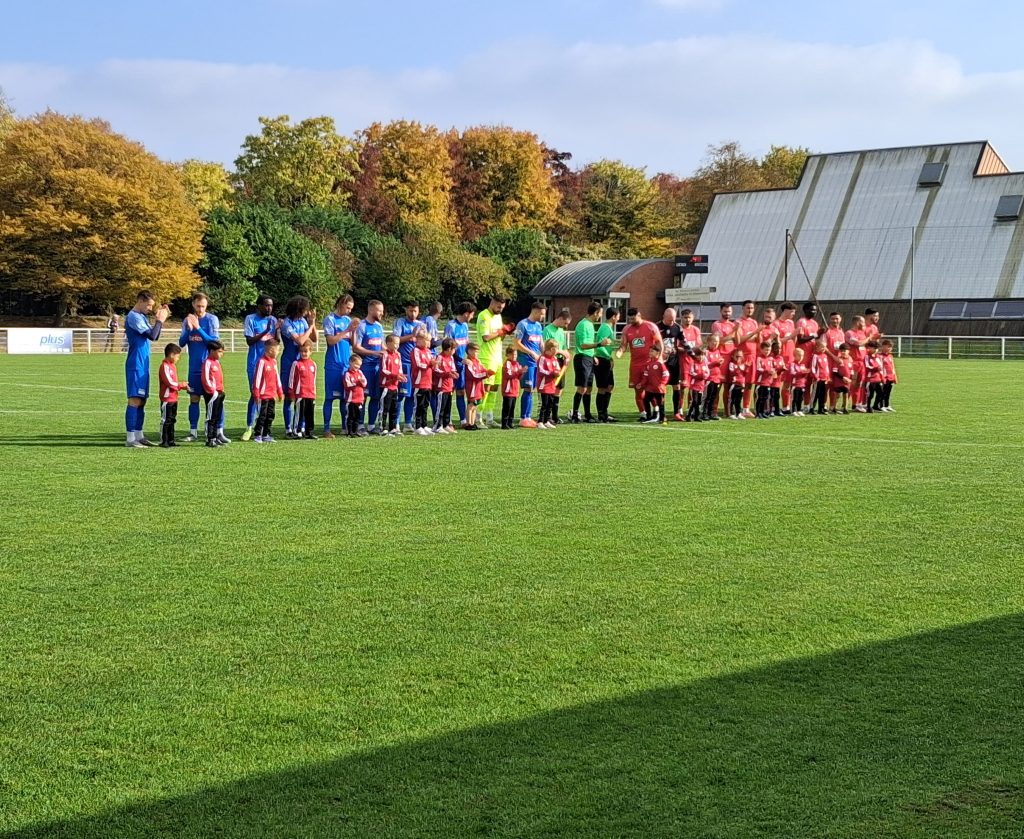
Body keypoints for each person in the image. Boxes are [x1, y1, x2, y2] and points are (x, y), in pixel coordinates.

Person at [123, 291, 170, 447]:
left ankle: (139, 435)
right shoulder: (134, 317)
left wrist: (159, 320)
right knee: (135, 400)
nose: (150, 308)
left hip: (143, 364)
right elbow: (153, 335)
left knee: (142, 400)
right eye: (149, 304)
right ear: (140, 301)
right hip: (136, 363)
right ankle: (130, 439)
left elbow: (154, 335)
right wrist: (160, 320)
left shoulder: (141, 317)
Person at [179, 292, 227, 443]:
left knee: (216, 399)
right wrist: (188, 328)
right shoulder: (188, 320)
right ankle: (193, 432)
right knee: (194, 399)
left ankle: (219, 431)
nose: (200, 309)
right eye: (198, 306)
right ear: (193, 304)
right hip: (194, 368)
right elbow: (181, 343)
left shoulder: (211, 319)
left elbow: (214, 343)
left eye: (203, 306)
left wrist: (198, 328)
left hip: (210, 368)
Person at [241, 295, 279, 441]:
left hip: (269, 365)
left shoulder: (273, 320)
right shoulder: (250, 319)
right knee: (255, 394)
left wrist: (277, 330)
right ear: (259, 306)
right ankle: (250, 427)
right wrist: (266, 331)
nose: (269, 308)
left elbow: (276, 342)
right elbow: (249, 341)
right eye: (266, 305)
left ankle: (263, 430)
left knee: (268, 396)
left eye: (271, 305)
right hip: (255, 364)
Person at [321, 294, 358, 439]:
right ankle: (326, 428)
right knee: (330, 398)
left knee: (345, 398)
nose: (349, 311)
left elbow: (353, 344)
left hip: (345, 364)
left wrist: (354, 331)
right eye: (348, 307)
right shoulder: (330, 319)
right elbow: (331, 341)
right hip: (333, 364)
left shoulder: (348, 320)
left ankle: (344, 426)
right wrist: (347, 330)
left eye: (351, 309)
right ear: (341, 304)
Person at [280, 296, 317, 436]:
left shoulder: (303, 321)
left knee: (304, 395)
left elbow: (314, 338)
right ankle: (288, 428)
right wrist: (310, 326)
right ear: (299, 309)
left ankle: (300, 427)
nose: (306, 312)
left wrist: (312, 324)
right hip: (290, 362)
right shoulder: (287, 324)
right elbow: (301, 340)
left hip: (303, 363)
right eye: (305, 309)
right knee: (290, 396)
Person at [616, 307, 662, 421]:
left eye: (633, 318)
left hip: (649, 364)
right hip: (635, 365)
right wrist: (620, 351)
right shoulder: (627, 329)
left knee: (651, 390)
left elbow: (659, 342)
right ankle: (643, 413)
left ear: (639, 315)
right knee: (638, 389)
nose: (631, 321)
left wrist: (659, 358)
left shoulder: (650, 327)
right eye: (629, 319)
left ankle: (656, 412)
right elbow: (623, 344)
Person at [570, 302, 607, 423]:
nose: (600, 316)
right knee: (582, 387)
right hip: (582, 358)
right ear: (596, 312)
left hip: (589, 358)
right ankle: (574, 414)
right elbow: (583, 345)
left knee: (589, 388)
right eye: (600, 313)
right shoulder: (583, 325)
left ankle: (587, 414)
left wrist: (593, 356)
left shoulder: (590, 325)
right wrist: (600, 344)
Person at [475, 295, 507, 427]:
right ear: (492, 303)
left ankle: (490, 416)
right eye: (499, 306)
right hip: (486, 357)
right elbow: (486, 337)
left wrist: (505, 333)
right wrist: (501, 332)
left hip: (498, 357)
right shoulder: (483, 316)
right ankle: (478, 416)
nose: (500, 309)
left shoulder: (498, 317)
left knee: (495, 388)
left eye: (502, 308)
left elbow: (500, 338)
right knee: (485, 388)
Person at [353, 299, 385, 432]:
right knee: (363, 396)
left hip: (378, 366)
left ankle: (371, 425)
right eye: (379, 310)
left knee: (376, 396)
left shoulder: (379, 326)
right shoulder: (362, 326)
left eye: (382, 311)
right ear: (371, 310)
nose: (381, 313)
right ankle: (360, 424)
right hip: (366, 366)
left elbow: (381, 345)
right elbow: (356, 347)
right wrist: (373, 352)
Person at [392, 301, 424, 431]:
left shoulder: (421, 325)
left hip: (417, 366)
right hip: (404, 364)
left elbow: (425, 341)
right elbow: (396, 340)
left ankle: (408, 423)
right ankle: (396, 422)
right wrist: (412, 335)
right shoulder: (400, 322)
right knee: (401, 394)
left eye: (415, 311)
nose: (413, 313)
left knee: (412, 395)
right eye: (411, 311)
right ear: (406, 310)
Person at [513, 301, 546, 427]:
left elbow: (541, 343)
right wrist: (531, 352)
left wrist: (545, 356)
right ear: (536, 311)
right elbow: (516, 343)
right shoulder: (522, 324)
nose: (543, 317)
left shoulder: (538, 326)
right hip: (526, 361)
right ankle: (523, 418)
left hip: (537, 362)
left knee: (532, 389)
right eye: (542, 314)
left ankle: (528, 416)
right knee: (528, 388)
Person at [445, 301, 476, 428]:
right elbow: (447, 347)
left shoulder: (465, 326)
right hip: (452, 364)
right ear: (466, 314)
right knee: (449, 392)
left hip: (462, 364)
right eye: (472, 314)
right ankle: (448, 420)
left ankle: (463, 420)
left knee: (461, 391)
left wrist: (471, 356)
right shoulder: (451, 326)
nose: (472, 317)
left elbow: (466, 343)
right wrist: (460, 359)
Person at [542, 308, 572, 425]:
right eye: (565, 323)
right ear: (560, 319)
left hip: (561, 362)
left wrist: (567, 356)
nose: (565, 326)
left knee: (560, 388)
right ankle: (547, 415)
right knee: (551, 388)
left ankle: (555, 415)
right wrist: (560, 352)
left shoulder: (560, 331)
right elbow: (547, 347)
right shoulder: (547, 330)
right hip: (551, 362)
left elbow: (563, 347)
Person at [251, 339, 284, 442]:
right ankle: (257, 434)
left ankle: (266, 434)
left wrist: (280, 391)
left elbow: (277, 377)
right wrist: (256, 394)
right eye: (277, 350)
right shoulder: (262, 362)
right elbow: (257, 379)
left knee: (270, 415)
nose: (278, 352)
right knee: (262, 415)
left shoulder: (274, 362)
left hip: (272, 394)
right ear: (271, 350)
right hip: (263, 395)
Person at [157, 343, 189, 447]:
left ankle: (171, 440)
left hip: (174, 397)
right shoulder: (164, 366)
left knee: (172, 419)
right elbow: (169, 382)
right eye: (178, 356)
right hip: (167, 398)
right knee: (166, 419)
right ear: (171, 355)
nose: (178, 358)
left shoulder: (172, 366)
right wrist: (181, 385)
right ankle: (164, 440)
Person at [711, 303, 739, 418]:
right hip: (721, 358)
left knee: (729, 386)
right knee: (718, 385)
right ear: (721, 311)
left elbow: (737, 342)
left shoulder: (733, 325)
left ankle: (728, 412)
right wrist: (733, 332)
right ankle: (714, 410)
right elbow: (721, 341)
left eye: (729, 311)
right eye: (725, 311)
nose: (727, 313)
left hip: (731, 358)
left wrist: (736, 331)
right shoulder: (717, 325)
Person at [734, 300, 760, 417]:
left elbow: (758, 340)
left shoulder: (754, 322)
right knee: (740, 383)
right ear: (743, 308)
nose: (750, 310)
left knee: (750, 383)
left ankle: (746, 408)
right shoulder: (738, 322)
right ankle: (736, 408)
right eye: (748, 308)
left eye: (752, 308)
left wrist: (756, 334)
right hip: (743, 356)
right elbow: (739, 340)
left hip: (753, 356)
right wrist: (754, 333)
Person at [288, 342, 318, 439]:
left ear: (310, 352)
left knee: (310, 414)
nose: (304, 353)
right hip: (300, 393)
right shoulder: (296, 364)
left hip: (310, 394)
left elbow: (314, 380)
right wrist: (291, 392)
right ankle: (296, 431)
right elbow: (291, 379)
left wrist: (314, 392)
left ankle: (309, 431)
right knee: (299, 414)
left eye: (306, 351)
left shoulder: (313, 364)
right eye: (301, 351)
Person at [594, 307, 619, 423]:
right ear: (614, 316)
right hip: (602, 360)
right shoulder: (604, 328)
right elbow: (600, 344)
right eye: (618, 316)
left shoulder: (608, 327)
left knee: (610, 386)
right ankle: (601, 414)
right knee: (602, 387)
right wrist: (608, 357)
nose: (619, 318)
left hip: (606, 359)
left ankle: (605, 412)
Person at [656, 308, 682, 419]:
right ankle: (661, 414)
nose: (672, 322)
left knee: (676, 386)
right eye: (670, 320)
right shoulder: (657, 327)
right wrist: (660, 352)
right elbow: (651, 343)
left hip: (674, 361)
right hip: (661, 362)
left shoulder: (677, 327)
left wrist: (692, 353)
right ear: (664, 316)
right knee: (661, 387)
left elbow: (683, 341)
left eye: (673, 320)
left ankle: (676, 412)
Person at [677, 308, 702, 421]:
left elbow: (699, 344)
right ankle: (679, 409)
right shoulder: (679, 330)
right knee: (683, 388)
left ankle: (690, 409)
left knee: (694, 388)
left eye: (689, 318)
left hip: (694, 363)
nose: (687, 320)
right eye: (685, 318)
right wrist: (688, 350)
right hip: (683, 363)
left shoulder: (696, 330)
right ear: (681, 318)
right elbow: (676, 347)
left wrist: (697, 351)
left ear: (693, 318)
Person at [201, 340, 226, 448]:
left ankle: (215, 437)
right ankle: (210, 438)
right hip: (212, 394)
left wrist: (221, 390)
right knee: (211, 416)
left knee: (217, 416)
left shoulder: (217, 362)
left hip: (219, 393)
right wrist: (213, 391)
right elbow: (205, 379)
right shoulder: (207, 363)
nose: (221, 354)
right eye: (219, 351)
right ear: (212, 351)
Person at [380, 334, 406, 436]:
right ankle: (383, 428)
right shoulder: (385, 354)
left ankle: (393, 427)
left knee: (394, 407)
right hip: (386, 385)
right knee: (384, 408)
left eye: (398, 344)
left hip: (395, 386)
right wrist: (395, 376)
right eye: (395, 343)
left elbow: (399, 368)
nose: (397, 346)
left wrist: (401, 376)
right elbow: (383, 370)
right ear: (388, 344)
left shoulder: (398, 355)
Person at [463, 343, 494, 431]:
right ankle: (469, 423)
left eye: (477, 351)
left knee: (475, 405)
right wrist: (486, 374)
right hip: (472, 386)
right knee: (471, 405)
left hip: (478, 386)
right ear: (469, 351)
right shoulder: (469, 362)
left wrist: (488, 371)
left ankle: (473, 423)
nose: (477, 353)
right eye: (475, 351)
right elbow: (473, 375)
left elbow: (482, 369)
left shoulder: (477, 361)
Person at [432, 337, 458, 434]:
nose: (455, 351)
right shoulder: (439, 357)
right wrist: (447, 374)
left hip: (449, 386)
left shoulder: (451, 358)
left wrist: (455, 373)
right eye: (454, 349)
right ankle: (438, 426)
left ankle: (446, 424)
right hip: (441, 387)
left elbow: (453, 369)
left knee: (448, 407)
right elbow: (436, 370)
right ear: (449, 349)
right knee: (441, 408)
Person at [844, 314, 869, 412]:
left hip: (862, 362)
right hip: (854, 362)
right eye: (863, 322)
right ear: (858, 322)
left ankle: (856, 404)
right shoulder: (849, 333)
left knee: (859, 384)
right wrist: (868, 338)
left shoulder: (862, 333)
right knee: (852, 384)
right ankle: (845, 405)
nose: (864, 324)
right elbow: (858, 343)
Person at [536, 339, 562, 429]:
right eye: (556, 349)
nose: (557, 351)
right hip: (544, 384)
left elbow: (558, 368)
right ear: (551, 349)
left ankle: (546, 420)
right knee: (544, 403)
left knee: (550, 403)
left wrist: (557, 372)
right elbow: (541, 370)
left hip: (552, 384)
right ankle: (540, 421)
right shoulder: (542, 358)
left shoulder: (554, 358)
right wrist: (552, 373)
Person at [776, 302, 797, 411]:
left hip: (790, 356)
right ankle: (774, 406)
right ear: (786, 311)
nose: (793, 314)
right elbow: (778, 342)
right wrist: (792, 336)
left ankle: (786, 406)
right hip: (781, 357)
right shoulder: (776, 324)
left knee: (788, 383)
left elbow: (793, 339)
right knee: (777, 383)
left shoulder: (791, 323)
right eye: (792, 312)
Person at [641, 345, 670, 425]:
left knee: (661, 403)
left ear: (658, 353)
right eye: (650, 351)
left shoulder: (660, 363)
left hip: (659, 388)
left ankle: (662, 418)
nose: (650, 353)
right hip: (650, 388)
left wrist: (662, 384)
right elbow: (645, 376)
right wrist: (642, 383)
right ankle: (649, 416)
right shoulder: (648, 364)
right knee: (645, 400)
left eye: (652, 351)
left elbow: (666, 375)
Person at [344, 356, 368, 438]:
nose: (357, 367)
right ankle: (349, 432)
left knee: (357, 416)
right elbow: (347, 385)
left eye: (359, 365)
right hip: (351, 400)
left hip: (359, 399)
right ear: (351, 362)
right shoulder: (347, 374)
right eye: (356, 364)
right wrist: (357, 382)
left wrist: (362, 382)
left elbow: (365, 383)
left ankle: (355, 431)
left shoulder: (360, 373)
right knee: (351, 416)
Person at [500, 346, 523, 430]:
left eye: (515, 354)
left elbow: (518, 377)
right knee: (507, 407)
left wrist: (522, 372)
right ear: (507, 355)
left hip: (515, 389)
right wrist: (519, 372)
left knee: (512, 407)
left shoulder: (517, 364)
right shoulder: (507, 363)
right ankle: (504, 423)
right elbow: (508, 375)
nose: (514, 356)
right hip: (508, 389)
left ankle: (510, 422)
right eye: (512, 354)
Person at [703, 334, 724, 421]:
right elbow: (705, 364)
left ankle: (711, 413)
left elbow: (717, 364)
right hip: (709, 378)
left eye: (717, 341)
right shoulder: (706, 352)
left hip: (716, 378)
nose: (715, 343)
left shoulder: (717, 352)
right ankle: (703, 413)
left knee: (714, 396)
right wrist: (715, 363)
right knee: (707, 396)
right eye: (714, 341)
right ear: (708, 342)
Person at [685, 348, 709, 422]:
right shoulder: (693, 363)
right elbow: (692, 373)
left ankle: (696, 416)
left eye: (701, 355)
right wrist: (700, 375)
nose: (700, 357)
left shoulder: (704, 364)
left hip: (701, 386)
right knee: (694, 401)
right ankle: (688, 415)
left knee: (699, 401)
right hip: (694, 385)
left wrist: (705, 376)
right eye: (698, 355)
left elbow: (707, 372)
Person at [808, 338, 831, 415]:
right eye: (822, 347)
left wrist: (828, 376)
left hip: (824, 379)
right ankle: (811, 408)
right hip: (817, 379)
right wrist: (815, 376)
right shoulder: (815, 356)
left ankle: (821, 408)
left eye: (824, 347)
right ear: (817, 347)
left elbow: (827, 367)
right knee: (815, 394)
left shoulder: (825, 356)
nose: (823, 349)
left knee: (823, 394)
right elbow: (813, 367)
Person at [754, 341, 775, 419]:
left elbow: (772, 368)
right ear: (761, 350)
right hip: (760, 382)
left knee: (765, 398)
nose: (767, 351)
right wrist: (767, 371)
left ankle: (762, 412)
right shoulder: (759, 358)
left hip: (768, 382)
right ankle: (757, 413)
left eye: (769, 350)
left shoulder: (770, 359)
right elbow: (758, 368)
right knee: (759, 398)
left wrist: (773, 371)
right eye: (766, 350)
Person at [830, 344, 854, 413]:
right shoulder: (838, 360)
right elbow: (834, 372)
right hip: (839, 381)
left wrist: (850, 379)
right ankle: (834, 408)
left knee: (846, 394)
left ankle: (845, 408)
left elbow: (851, 370)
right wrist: (843, 378)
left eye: (845, 350)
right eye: (841, 351)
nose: (843, 352)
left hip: (847, 382)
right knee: (837, 395)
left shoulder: (850, 360)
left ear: (848, 351)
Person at [862, 341, 885, 413]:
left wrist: (882, 378)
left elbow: (881, 367)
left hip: (878, 378)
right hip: (870, 379)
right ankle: (868, 407)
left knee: (881, 393)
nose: (875, 350)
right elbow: (867, 366)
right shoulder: (867, 357)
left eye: (876, 348)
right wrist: (875, 368)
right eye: (873, 348)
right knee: (870, 394)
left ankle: (875, 405)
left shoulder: (879, 357)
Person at [727, 349, 748, 419]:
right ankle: (731, 413)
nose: (739, 358)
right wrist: (738, 366)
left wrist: (747, 367)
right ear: (733, 356)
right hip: (734, 384)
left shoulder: (743, 365)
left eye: (740, 356)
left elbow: (744, 374)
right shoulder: (732, 364)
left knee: (739, 399)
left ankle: (738, 413)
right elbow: (732, 373)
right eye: (737, 356)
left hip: (741, 384)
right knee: (732, 399)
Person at [788, 348, 809, 417]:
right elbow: (792, 373)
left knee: (800, 398)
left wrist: (806, 372)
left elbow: (804, 374)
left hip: (801, 385)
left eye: (802, 356)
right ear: (794, 356)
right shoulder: (792, 364)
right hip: (795, 384)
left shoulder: (802, 365)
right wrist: (801, 372)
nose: (801, 357)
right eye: (799, 355)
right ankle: (793, 410)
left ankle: (799, 410)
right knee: (794, 398)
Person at [879, 340, 898, 412]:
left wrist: (895, 376)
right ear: (883, 346)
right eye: (888, 346)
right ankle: (881, 405)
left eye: (891, 347)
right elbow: (880, 367)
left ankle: (887, 405)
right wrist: (881, 377)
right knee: (882, 392)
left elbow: (892, 367)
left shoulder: (890, 356)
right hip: (884, 377)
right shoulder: (880, 356)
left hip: (891, 377)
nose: (890, 348)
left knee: (888, 392)